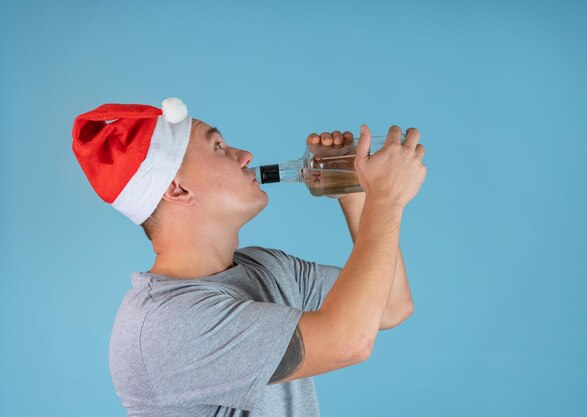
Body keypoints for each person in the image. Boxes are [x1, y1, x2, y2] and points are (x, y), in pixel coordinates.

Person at [71, 97, 427, 417]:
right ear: (177, 189)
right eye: (218, 147)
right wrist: (387, 200)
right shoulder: (164, 324)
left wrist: (352, 189)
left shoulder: (267, 268)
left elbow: (391, 306)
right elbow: (348, 341)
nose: (244, 156)